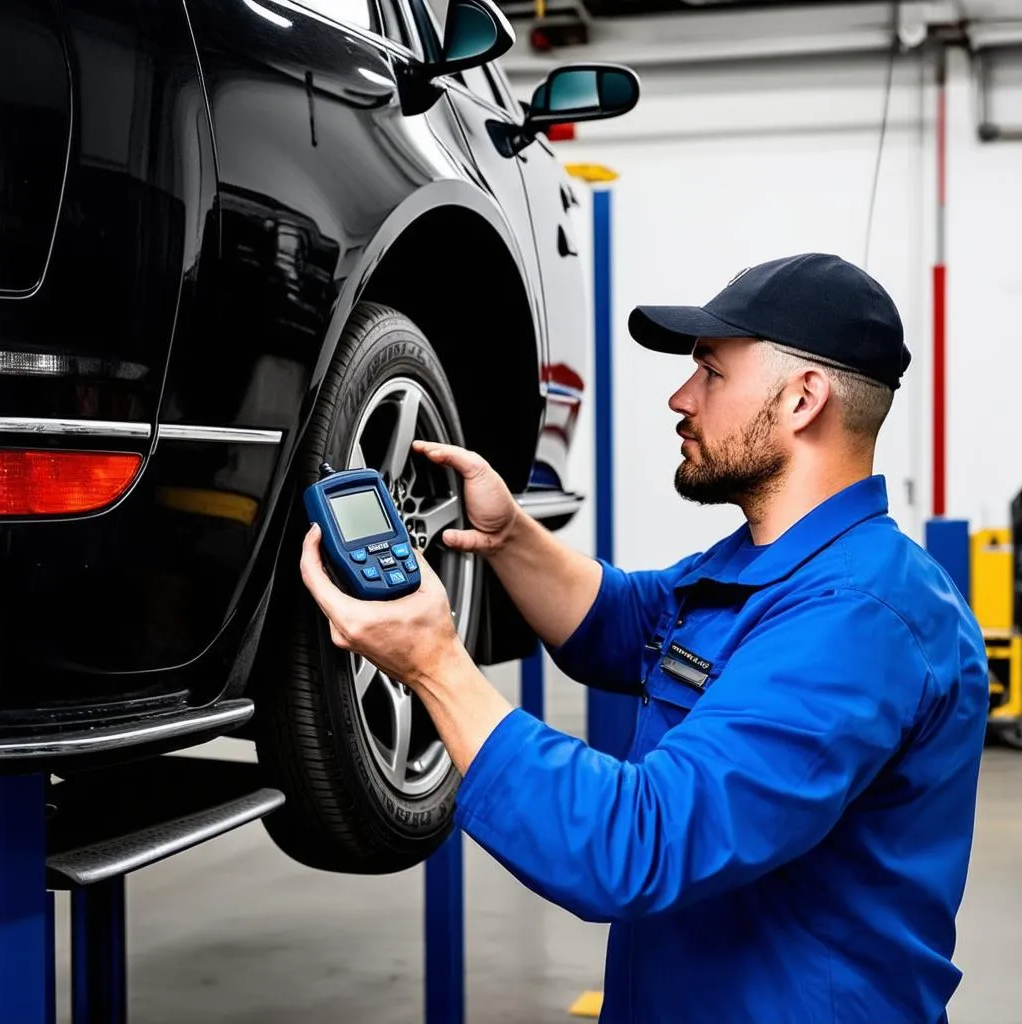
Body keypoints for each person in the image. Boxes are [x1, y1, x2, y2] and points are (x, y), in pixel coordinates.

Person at [300, 252, 989, 1023]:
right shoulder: (757, 568)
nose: (680, 397)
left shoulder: (860, 619)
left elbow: (636, 844)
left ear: (803, 399)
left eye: (711, 372)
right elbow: (619, 622)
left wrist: (432, 663)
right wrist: (510, 535)